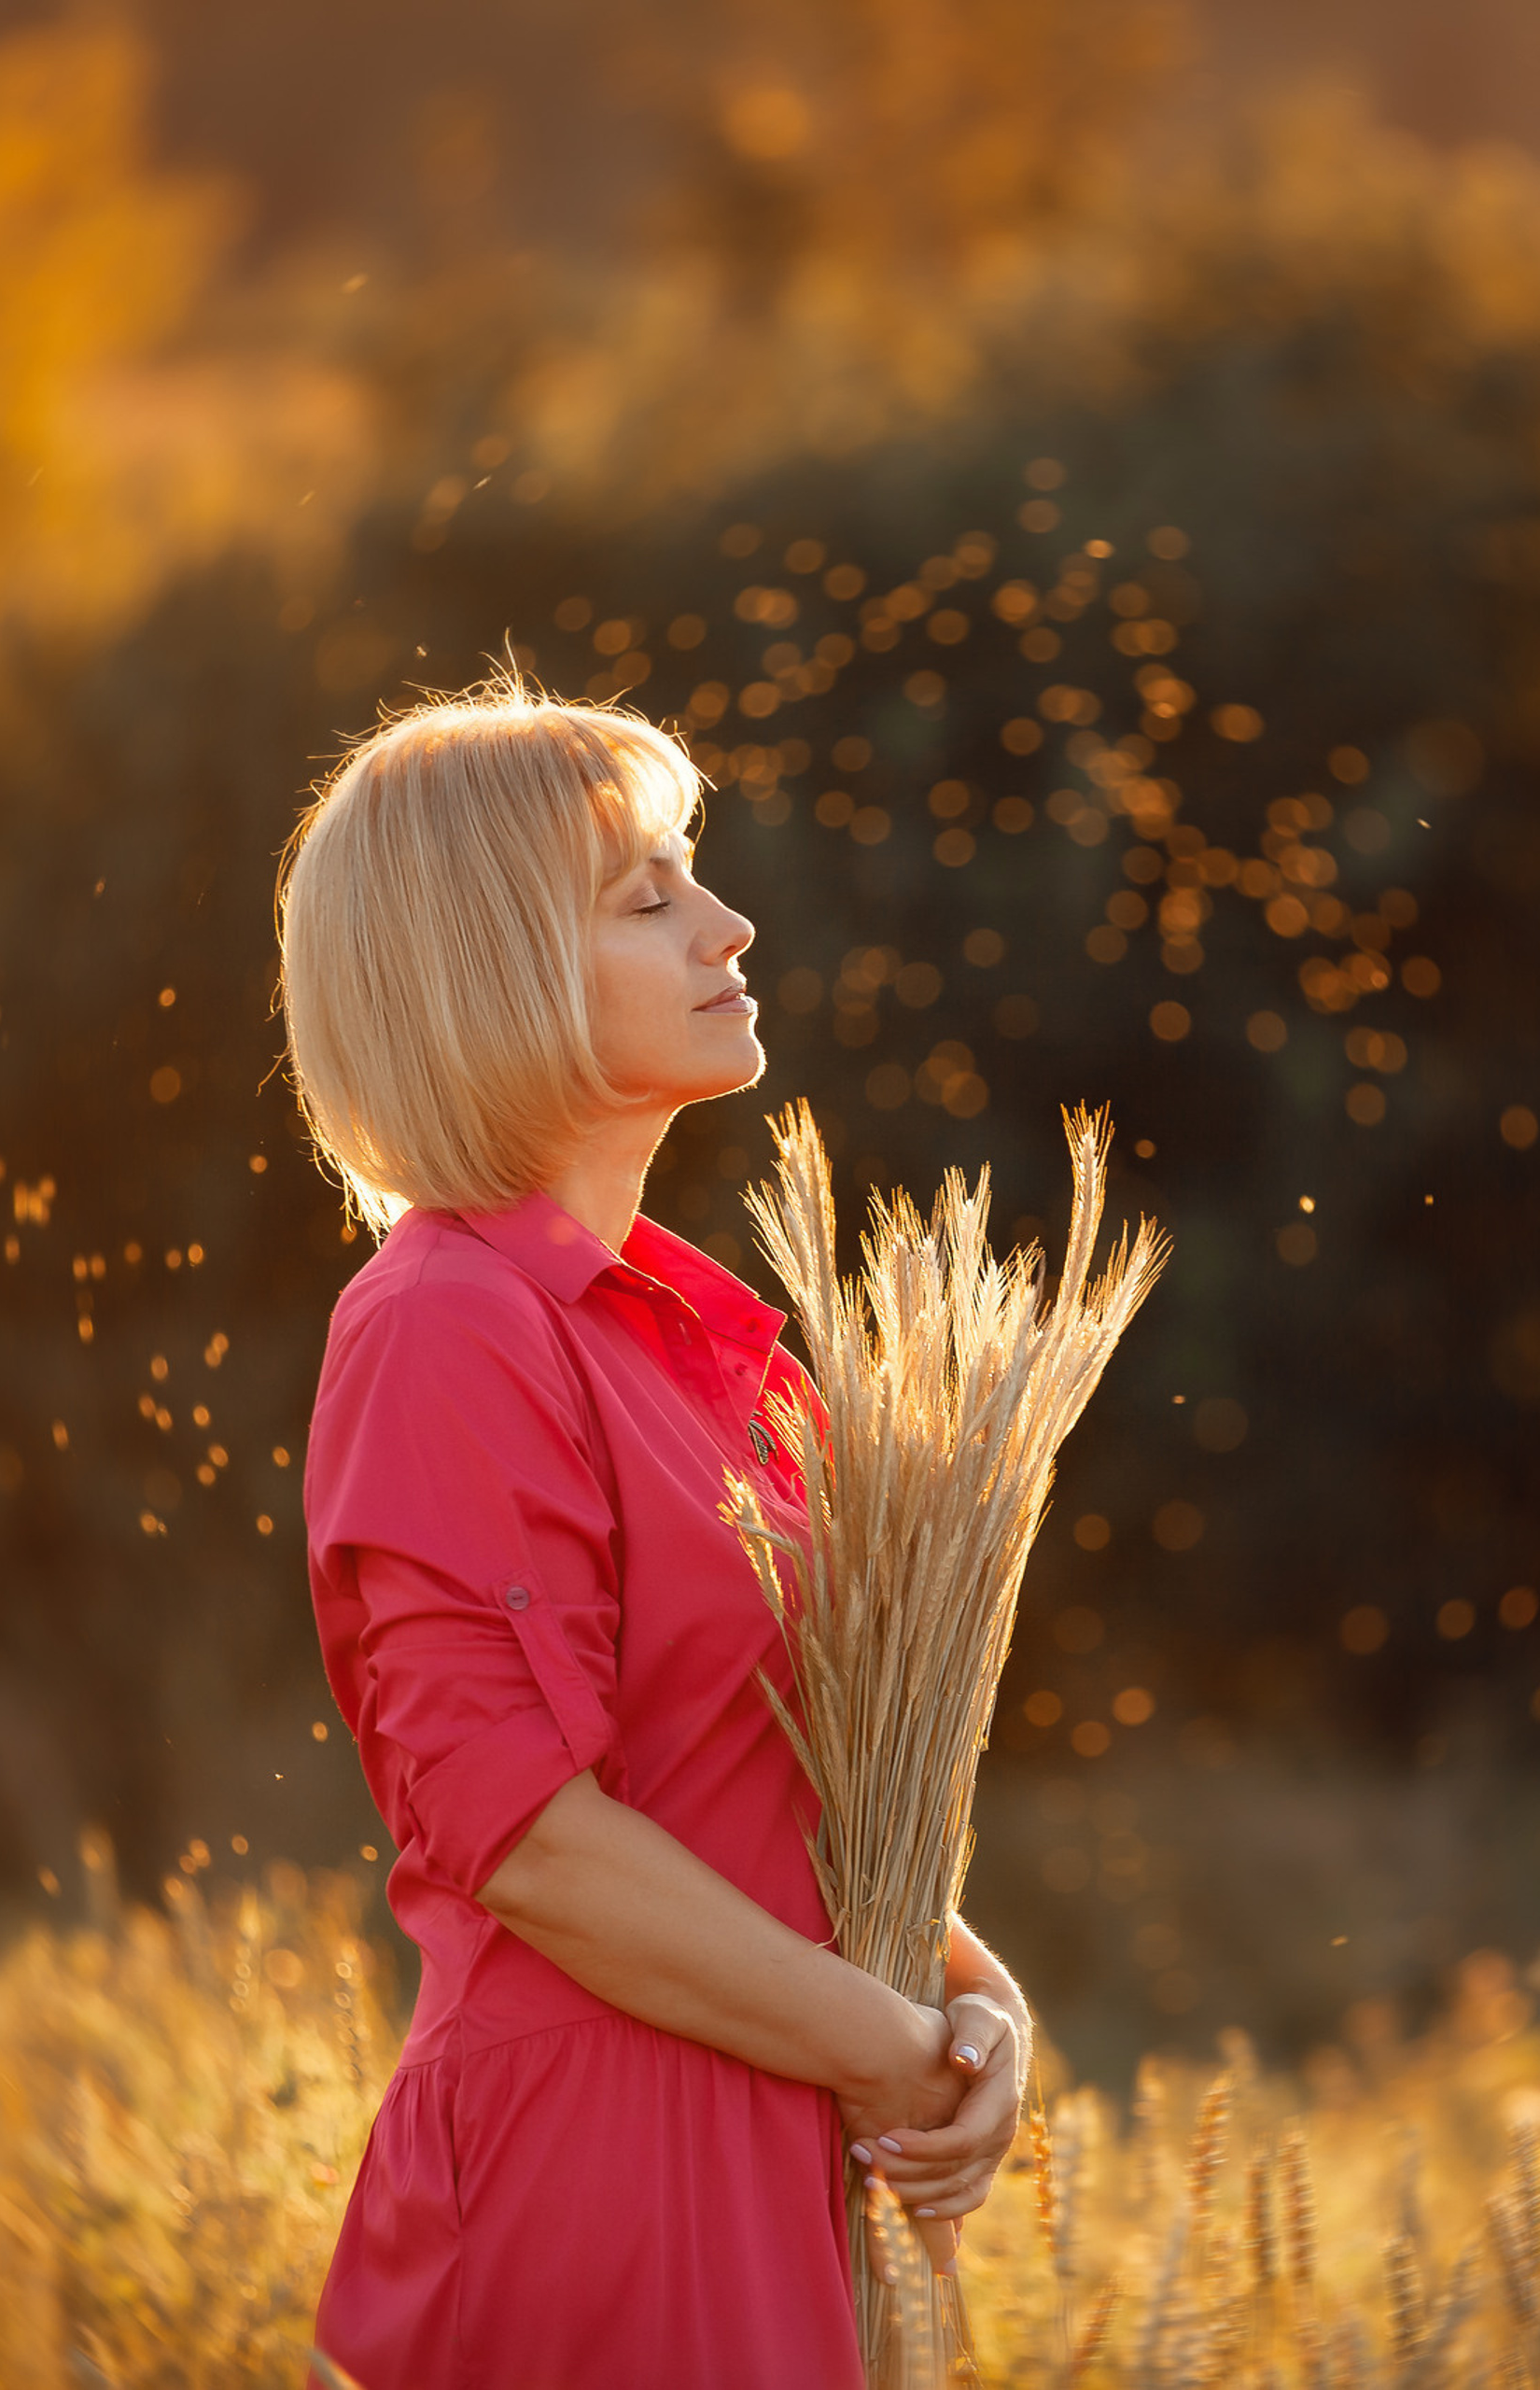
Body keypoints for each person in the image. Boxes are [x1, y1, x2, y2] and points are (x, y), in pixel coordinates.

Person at [274, 679, 1029, 2387]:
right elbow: (523, 1835)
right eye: (648, 898)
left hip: (783, 2131)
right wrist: (891, 2049)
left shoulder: (708, 1344)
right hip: (601, 2170)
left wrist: (978, 2005)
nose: (728, 924)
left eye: (694, 875)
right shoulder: (447, 1321)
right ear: (493, 973)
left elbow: (787, 1784)